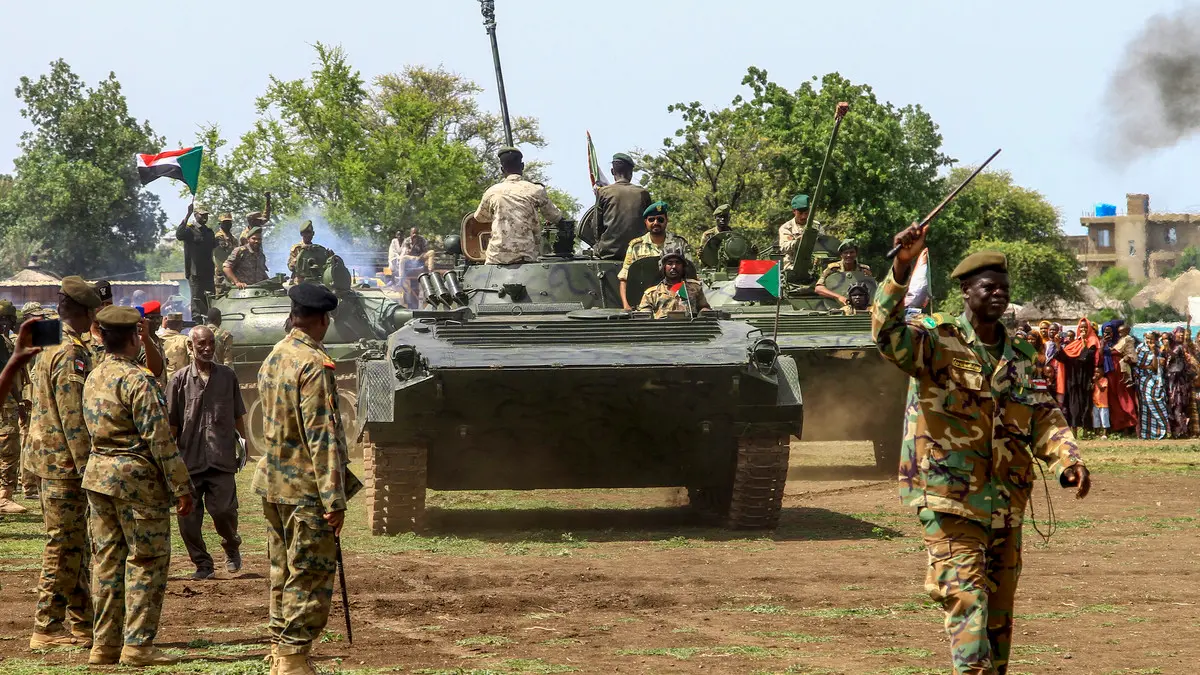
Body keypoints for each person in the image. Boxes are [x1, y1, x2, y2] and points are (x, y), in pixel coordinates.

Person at [874, 223, 1089, 675]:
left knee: (998, 624)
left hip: (1005, 504)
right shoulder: (936, 340)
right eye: (989, 287)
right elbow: (886, 332)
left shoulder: (1022, 355)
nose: (998, 296)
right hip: (950, 501)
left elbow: (1045, 414)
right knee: (968, 610)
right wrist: (901, 266)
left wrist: (1067, 459)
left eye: (1004, 290)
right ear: (966, 291)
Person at [255, 283, 362, 675]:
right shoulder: (313, 363)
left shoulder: (275, 356)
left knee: (282, 571)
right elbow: (322, 434)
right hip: (305, 489)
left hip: (274, 483)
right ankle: (293, 659)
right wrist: (334, 499)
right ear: (321, 320)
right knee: (310, 572)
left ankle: (279, 648)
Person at [81, 305, 193, 666]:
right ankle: (138, 645)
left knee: (107, 563)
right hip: (137, 483)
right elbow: (160, 439)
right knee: (147, 561)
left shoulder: (94, 376)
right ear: (134, 338)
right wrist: (182, 487)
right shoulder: (137, 379)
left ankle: (104, 646)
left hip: (99, 478)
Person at [27, 276, 103, 649]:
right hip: (65, 464)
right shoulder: (70, 352)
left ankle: (82, 621)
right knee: (63, 544)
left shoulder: (46, 337)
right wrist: (89, 467)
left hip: (47, 456)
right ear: (86, 312)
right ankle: (46, 625)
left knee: (74, 544)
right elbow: (74, 417)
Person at [168, 325, 249, 580]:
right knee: (188, 519)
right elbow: (171, 424)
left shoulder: (227, 376)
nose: (207, 348)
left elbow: (238, 414)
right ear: (190, 347)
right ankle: (203, 564)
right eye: (201, 343)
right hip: (189, 460)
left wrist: (244, 445)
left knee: (225, 511)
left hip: (221, 457)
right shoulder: (179, 380)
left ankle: (231, 546)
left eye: (211, 343)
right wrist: (169, 460)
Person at [472, 146, 564, 265]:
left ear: (502, 169)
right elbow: (555, 216)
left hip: (497, 259)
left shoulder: (492, 192)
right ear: (522, 166)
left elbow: (479, 217)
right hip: (527, 256)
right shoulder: (535, 190)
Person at [618, 201, 691, 310]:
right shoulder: (636, 246)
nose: (656, 223)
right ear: (645, 222)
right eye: (651, 219)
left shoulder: (680, 244)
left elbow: (690, 276)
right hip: (642, 306)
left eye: (660, 219)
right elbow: (624, 278)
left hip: (675, 306)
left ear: (666, 221)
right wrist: (626, 305)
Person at [592, 153, 652, 260]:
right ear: (631, 173)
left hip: (609, 253)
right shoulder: (643, 193)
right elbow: (650, 224)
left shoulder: (603, 192)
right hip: (639, 252)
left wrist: (598, 245)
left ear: (612, 171)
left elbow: (596, 226)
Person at [0, 301, 27, 515]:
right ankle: (4, 497)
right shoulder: (2, 342)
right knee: (8, 448)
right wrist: (19, 400)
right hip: (5, 403)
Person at [1052, 318, 1099, 433]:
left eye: (1085, 327)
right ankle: (1074, 429)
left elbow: (1086, 358)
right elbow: (1063, 358)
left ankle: (1086, 430)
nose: (1083, 330)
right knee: (1073, 404)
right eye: (1081, 327)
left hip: (1085, 378)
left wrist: (1084, 342)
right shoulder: (1074, 344)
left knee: (1086, 404)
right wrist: (1058, 344)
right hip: (1072, 378)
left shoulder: (1093, 342)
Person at [637, 247, 710, 319]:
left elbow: (704, 308)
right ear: (663, 267)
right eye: (670, 263)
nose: (674, 266)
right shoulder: (652, 293)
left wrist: (704, 311)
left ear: (683, 267)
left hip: (690, 328)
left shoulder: (694, 288)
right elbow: (644, 317)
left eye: (678, 263)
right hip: (661, 329)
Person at [175, 204, 217, 313]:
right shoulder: (189, 230)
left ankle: (210, 323)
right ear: (195, 215)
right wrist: (187, 214)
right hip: (195, 273)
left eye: (206, 215)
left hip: (208, 272)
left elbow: (214, 247)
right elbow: (179, 235)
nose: (205, 217)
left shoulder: (209, 232)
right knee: (197, 301)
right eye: (202, 215)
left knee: (210, 300)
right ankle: (198, 323)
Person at [1100, 320, 1138, 433]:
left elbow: (1131, 355)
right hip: (1109, 373)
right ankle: (1118, 425)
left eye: (1110, 332)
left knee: (1125, 397)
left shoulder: (1121, 341)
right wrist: (1103, 344)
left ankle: (1129, 424)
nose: (1108, 334)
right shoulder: (1101, 342)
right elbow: (1099, 356)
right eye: (1105, 332)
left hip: (1121, 372)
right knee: (1112, 399)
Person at [814, 240, 873, 306]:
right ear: (841, 255)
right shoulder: (833, 269)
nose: (849, 255)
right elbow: (818, 288)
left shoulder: (864, 269)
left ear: (856, 253)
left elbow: (872, 288)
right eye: (845, 253)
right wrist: (838, 297)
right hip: (836, 307)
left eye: (852, 252)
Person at [1135, 332, 1169, 440]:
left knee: (1155, 401)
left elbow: (1155, 367)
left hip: (1155, 380)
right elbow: (1137, 363)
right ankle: (1147, 433)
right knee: (1145, 405)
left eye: (1152, 339)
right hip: (1143, 379)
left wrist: (1153, 352)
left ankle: (1161, 430)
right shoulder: (1140, 348)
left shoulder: (1158, 350)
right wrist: (1145, 367)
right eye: (1147, 339)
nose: (1149, 341)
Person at [1164, 329, 1193, 437]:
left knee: (1178, 404)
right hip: (1171, 379)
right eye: (1178, 334)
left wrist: (1166, 348)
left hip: (1178, 381)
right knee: (1173, 405)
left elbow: (1173, 355)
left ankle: (1181, 431)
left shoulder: (1179, 347)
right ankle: (1176, 430)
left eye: (1182, 334)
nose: (1181, 335)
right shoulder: (1172, 347)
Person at [778, 194, 811, 270]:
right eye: (800, 213)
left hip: (813, 265)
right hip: (792, 266)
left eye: (806, 213)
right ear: (794, 211)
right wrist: (798, 241)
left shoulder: (816, 226)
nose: (804, 217)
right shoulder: (786, 228)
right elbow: (783, 247)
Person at [159, 312, 192, 381]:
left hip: (163, 383)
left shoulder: (158, 339)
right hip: (180, 382)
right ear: (180, 324)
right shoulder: (185, 340)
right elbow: (193, 360)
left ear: (166, 324)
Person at [213, 213, 239, 293]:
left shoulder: (234, 239)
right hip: (221, 274)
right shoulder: (218, 238)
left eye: (229, 222)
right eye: (225, 222)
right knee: (220, 296)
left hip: (233, 272)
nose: (227, 224)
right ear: (220, 224)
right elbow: (220, 258)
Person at [1092, 366, 1110, 439]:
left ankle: (1105, 433)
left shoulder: (1105, 380)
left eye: (1098, 372)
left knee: (1104, 418)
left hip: (1103, 403)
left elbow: (1102, 389)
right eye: (1095, 372)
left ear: (1102, 373)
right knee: (1096, 418)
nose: (1096, 374)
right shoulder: (1094, 381)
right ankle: (1097, 433)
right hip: (1095, 402)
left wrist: (1096, 381)